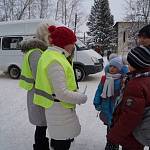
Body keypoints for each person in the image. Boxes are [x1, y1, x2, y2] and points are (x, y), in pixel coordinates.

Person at [33, 25, 87, 150]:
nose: (74, 46)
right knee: (62, 144)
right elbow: (61, 93)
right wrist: (81, 98)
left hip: (57, 108)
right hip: (59, 110)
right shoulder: (55, 60)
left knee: (60, 142)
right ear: (64, 43)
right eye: (72, 42)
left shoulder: (53, 55)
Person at [107, 46, 150, 150]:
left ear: (136, 64)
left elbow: (130, 116)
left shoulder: (135, 85)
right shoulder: (146, 78)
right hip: (142, 129)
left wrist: (113, 137)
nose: (127, 65)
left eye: (129, 63)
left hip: (133, 133)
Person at [19, 38, 50, 150]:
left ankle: (41, 143)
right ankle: (40, 146)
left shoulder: (32, 52)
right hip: (38, 91)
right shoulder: (36, 53)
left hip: (35, 90)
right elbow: (39, 74)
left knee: (41, 123)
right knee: (41, 123)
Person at [93, 57, 127, 150]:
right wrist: (97, 102)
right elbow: (99, 91)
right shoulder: (105, 79)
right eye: (111, 66)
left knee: (117, 128)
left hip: (117, 110)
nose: (112, 68)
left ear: (120, 68)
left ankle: (115, 143)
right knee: (109, 127)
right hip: (106, 108)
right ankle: (110, 144)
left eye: (115, 67)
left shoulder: (123, 80)